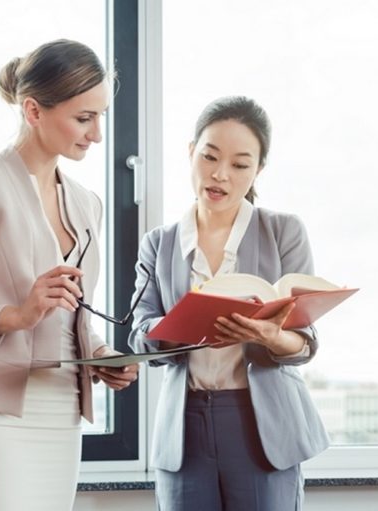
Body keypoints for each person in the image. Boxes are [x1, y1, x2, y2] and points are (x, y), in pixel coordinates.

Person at [0, 39, 138, 511]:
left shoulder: (86, 202)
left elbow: (70, 313)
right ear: (33, 111)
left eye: (101, 117)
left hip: (61, 414)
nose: (97, 135)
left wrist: (99, 354)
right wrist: (16, 315)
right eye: (83, 118)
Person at [128, 96, 329, 510]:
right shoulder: (159, 243)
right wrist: (179, 327)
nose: (220, 175)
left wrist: (272, 337)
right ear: (191, 152)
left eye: (240, 165)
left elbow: (304, 342)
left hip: (261, 425)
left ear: (258, 170)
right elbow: (138, 333)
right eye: (209, 157)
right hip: (184, 427)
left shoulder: (282, 231)